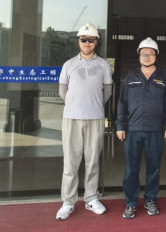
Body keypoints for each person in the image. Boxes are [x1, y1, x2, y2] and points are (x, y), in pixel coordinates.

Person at [56, 23, 113, 221]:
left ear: (96, 41)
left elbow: (107, 91)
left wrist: (92, 105)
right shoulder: (69, 64)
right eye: (83, 39)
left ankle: (91, 198)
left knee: (92, 161)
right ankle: (68, 201)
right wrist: (76, 104)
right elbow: (62, 91)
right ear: (78, 41)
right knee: (70, 162)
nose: (87, 43)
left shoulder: (103, 65)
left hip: (95, 118)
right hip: (71, 118)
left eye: (91, 39)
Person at [116, 38, 166, 219]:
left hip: (155, 130)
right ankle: (131, 203)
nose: (147, 56)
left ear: (156, 55)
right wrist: (120, 125)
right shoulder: (131, 76)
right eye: (144, 53)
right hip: (133, 130)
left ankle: (150, 199)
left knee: (154, 169)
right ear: (139, 56)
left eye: (151, 53)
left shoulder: (164, 76)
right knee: (131, 170)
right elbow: (122, 103)